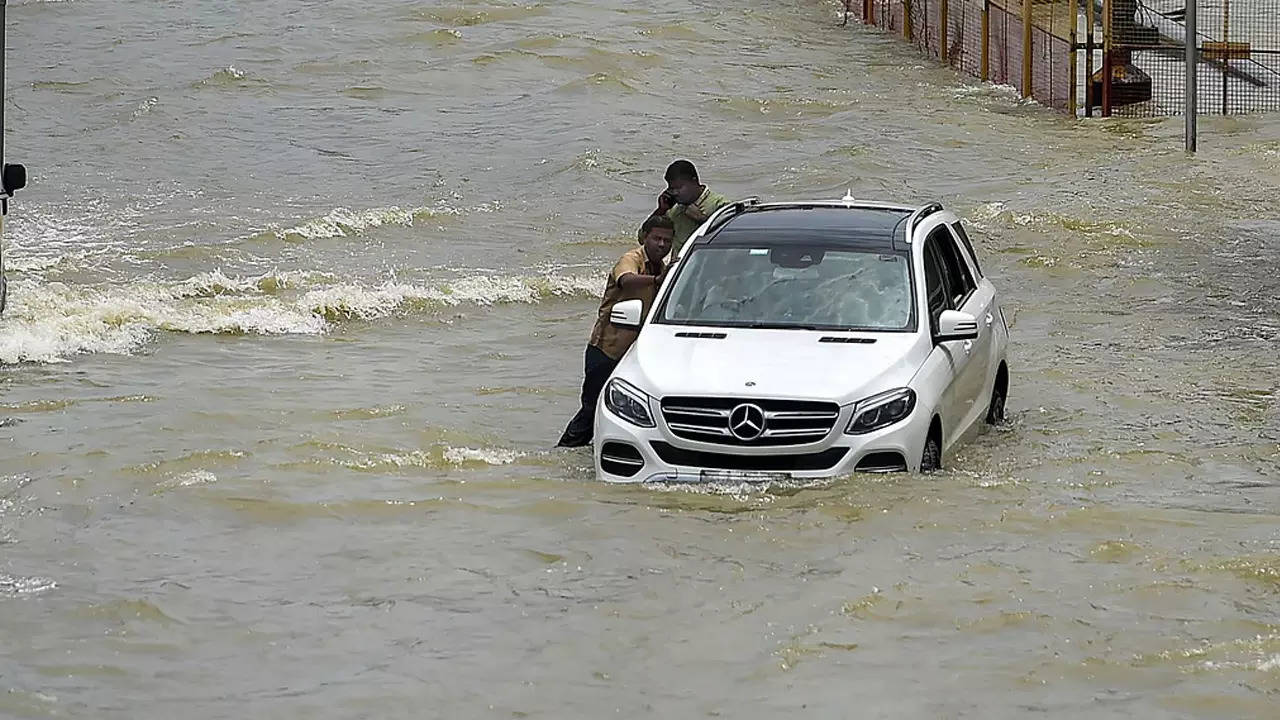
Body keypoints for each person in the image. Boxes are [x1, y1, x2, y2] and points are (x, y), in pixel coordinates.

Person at [556, 215, 674, 448]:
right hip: (607, 348)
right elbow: (626, 281)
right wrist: (658, 279)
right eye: (657, 238)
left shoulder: (662, 268)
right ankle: (563, 452)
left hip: (636, 354)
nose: (662, 245)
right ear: (645, 238)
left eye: (667, 241)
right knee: (591, 409)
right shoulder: (631, 259)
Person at [652, 160, 728, 258]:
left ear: (694, 181)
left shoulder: (720, 205)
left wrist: (702, 220)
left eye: (679, 188)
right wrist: (661, 210)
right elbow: (642, 238)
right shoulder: (674, 210)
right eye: (671, 189)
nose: (675, 193)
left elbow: (729, 241)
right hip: (682, 269)